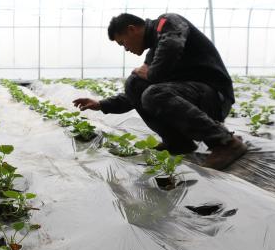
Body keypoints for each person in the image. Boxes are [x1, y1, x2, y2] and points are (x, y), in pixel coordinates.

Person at [73, 12, 247, 170]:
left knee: (152, 93)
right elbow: (134, 95)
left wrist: (150, 72)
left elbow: (171, 46)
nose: (125, 48)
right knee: (134, 84)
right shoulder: (154, 49)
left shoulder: (168, 23)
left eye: (122, 42)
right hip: (194, 96)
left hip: (215, 96)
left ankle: (225, 143)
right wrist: (101, 104)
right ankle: (178, 143)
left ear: (131, 29)